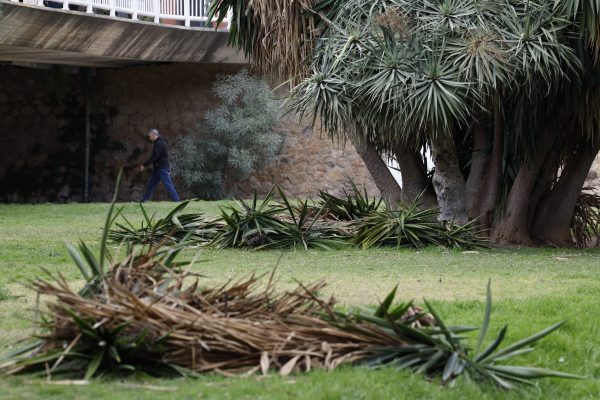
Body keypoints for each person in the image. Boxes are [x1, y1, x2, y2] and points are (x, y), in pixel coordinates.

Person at [139, 129, 180, 202]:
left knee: (168, 185)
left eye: (150, 136)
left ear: (154, 135)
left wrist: (144, 165)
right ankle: (143, 200)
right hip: (157, 169)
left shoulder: (160, 143)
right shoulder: (158, 143)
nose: (149, 138)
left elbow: (155, 156)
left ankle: (177, 200)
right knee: (150, 186)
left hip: (162, 169)